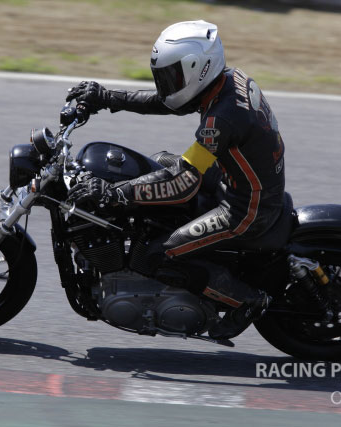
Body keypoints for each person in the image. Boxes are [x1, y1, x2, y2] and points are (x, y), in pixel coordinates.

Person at [66, 20, 286, 340]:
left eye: (173, 77)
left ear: (199, 67)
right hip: (234, 178)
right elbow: (169, 102)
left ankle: (247, 301)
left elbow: (183, 183)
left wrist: (113, 193)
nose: (167, 85)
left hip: (247, 207)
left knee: (159, 254)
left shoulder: (220, 120)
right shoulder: (227, 81)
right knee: (156, 163)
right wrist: (107, 97)